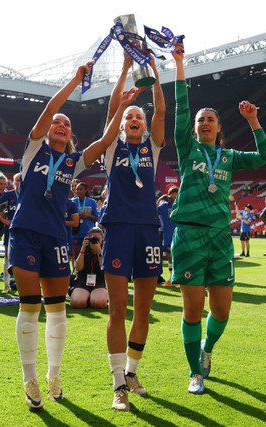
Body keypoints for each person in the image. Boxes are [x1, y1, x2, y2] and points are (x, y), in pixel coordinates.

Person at [9, 61, 141, 410]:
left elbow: (107, 139)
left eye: (67, 124)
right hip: (24, 233)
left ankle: (53, 374)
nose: (61, 125)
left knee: (57, 310)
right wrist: (75, 80)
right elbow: (51, 108)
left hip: (55, 238)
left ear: (71, 135)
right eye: (57, 123)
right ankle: (29, 378)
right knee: (30, 306)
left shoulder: (73, 163)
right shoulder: (34, 148)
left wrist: (123, 98)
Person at [171, 43, 266, 395]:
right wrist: (180, 64)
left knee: (223, 311)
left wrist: (254, 120)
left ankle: (207, 350)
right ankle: (193, 372)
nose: (204, 123)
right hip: (188, 236)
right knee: (193, 310)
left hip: (219, 238)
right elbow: (182, 108)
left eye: (210, 119)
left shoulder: (228, 157)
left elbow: (265, 155)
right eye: (200, 121)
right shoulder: (187, 148)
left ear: (218, 126)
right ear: (195, 129)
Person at [97, 50, 164, 411]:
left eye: (139, 115)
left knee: (144, 308)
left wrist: (152, 70)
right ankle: (118, 383)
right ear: (123, 125)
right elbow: (111, 112)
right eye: (130, 116)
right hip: (119, 230)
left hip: (149, 230)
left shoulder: (152, 146)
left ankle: (133, 372)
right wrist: (125, 69)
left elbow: (162, 112)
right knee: (118, 309)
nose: (135, 118)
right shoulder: (111, 149)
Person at [69, 227, 107, 309]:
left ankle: (92, 297)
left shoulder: (105, 250)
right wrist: (83, 249)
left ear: (102, 239)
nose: (95, 241)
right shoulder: (84, 248)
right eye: (92, 238)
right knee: (77, 303)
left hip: (100, 281)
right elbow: (78, 268)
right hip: (83, 280)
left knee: (99, 303)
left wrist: (99, 252)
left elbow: (105, 270)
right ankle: (87, 297)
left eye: (97, 239)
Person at [0, 173, 20, 294]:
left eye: (21, 180)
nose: (20, 182)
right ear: (13, 182)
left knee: (23, 258)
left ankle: (20, 284)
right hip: (10, 230)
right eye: (17, 180)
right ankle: (6, 285)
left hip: (25, 231)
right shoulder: (9, 195)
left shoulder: (29, 194)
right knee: (7, 257)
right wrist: (3, 219)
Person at [71, 182, 98, 259]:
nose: (79, 191)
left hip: (88, 232)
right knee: (75, 255)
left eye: (81, 189)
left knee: (89, 255)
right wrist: (76, 216)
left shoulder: (92, 202)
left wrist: (87, 215)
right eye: (77, 190)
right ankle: (76, 270)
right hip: (76, 233)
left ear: (86, 190)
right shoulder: (72, 202)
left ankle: (88, 270)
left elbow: (97, 218)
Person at [157, 186, 178, 287]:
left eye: (176, 193)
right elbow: (155, 210)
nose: (174, 195)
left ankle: (178, 279)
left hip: (179, 234)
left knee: (178, 256)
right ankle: (170, 278)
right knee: (169, 257)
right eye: (172, 193)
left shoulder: (180, 205)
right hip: (168, 235)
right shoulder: (165, 206)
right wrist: (160, 199)